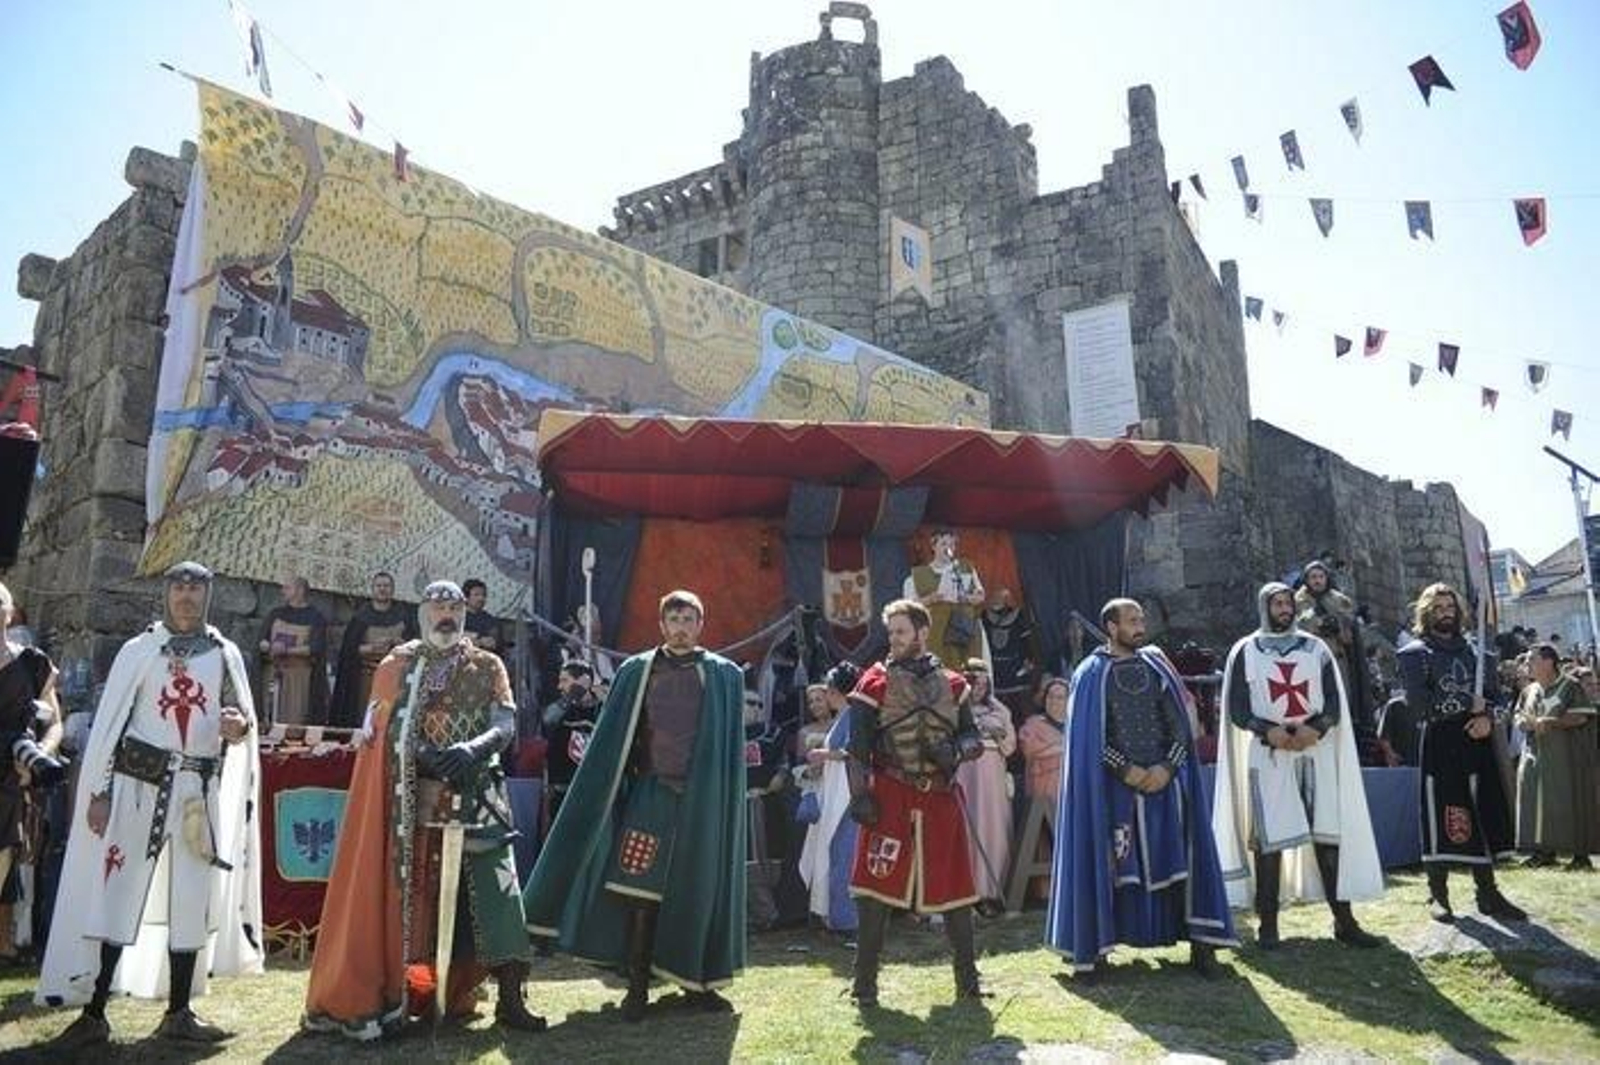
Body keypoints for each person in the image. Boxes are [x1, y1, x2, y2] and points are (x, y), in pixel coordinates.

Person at [304, 580, 544, 1040]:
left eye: (455, 606)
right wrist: (426, 754)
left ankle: (512, 999)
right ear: (423, 613)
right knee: (417, 902)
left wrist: (475, 748)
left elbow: (505, 720)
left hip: (480, 796)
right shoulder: (398, 665)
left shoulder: (487, 663)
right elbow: (383, 730)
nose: (447, 614)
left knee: (500, 896)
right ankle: (410, 998)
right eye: (439, 607)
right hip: (411, 799)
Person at [39, 562, 263, 1048]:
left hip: (195, 796)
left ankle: (180, 1012)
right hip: (136, 787)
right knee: (117, 894)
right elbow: (111, 726)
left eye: (195, 587)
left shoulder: (225, 654)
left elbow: (243, 718)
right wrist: (98, 793)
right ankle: (95, 1012)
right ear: (166, 592)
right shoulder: (140, 650)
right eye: (178, 586)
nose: (186, 595)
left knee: (190, 899)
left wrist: (237, 728)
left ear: (207, 594)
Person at [523, 590, 745, 1022]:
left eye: (689, 619)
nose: (681, 628)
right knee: (640, 894)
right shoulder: (636, 671)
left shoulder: (725, 676)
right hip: (649, 796)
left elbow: (727, 752)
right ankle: (638, 988)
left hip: (702, 804)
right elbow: (613, 741)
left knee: (696, 891)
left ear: (701, 624)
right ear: (661, 625)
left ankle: (695, 983)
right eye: (673, 619)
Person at [1045, 598, 1235, 978]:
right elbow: (1092, 740)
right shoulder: (1090, 674)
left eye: (1141, 619)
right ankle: (1094, 952)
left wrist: (1166, 767)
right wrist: (1128, 770)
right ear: (1111, 627)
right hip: (1115, 792)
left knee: (1185, 860)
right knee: (1108, 865)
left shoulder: (1156, 666)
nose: (1140, 626)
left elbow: (1179, 724)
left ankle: (1201, 946)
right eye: (1132, 620)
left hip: (1167, 788)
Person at [1213, 583, 1383, 950]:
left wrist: (1316, 727)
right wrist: (1268, 731)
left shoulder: (1315, 649)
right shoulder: (1247, 650)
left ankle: (1344, 920)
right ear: (1265, 608)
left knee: (1327, 834)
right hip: (1269, 752)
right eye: (1277, 603)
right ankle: (1268, 925)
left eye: (1288, 603)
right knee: (1268, 839)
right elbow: (1238, 708)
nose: (1285, 609)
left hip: (1314, 750)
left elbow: (1335, 702)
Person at [845, 598, 984, 1007]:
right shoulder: (874, 682)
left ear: (923, 633)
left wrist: (955, 752)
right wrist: (861, 796)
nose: (895, 639)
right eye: (891, 633)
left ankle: (968, 983)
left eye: (902, 631)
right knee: (874, 891)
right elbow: (857, 748)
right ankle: (864, 986)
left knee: (957, 890)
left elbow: (973, 737)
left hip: (939, 796)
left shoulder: (955, 684)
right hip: (890, 792)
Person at [1398, 583, 1525, 923]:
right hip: (1440, 742)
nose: (1445, 612)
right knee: (1441, 814)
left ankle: (1488, 893)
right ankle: (1438, 895)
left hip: (1477, 741)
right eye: (1438, 607)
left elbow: (1499, 700)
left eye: (1450, 606)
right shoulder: (1416, 654)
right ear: (1427, 612)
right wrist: (1470, 704)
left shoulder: (1476, 653)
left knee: (1483, 812)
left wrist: (1487, 718)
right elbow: (1420, 707)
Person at [0, 582, 65, 965]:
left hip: (12, 782)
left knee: (4, 868)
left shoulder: (31, 663)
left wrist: (39, 754)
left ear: (11, 611)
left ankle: (5, 944)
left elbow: (56, 724)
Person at [1515, 644, 1597, 870]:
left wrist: (1551, 723)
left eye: (1531, 660)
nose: (1526, 665)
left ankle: (1580, 857)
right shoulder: (1529, 691)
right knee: (1536, 803)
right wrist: (1524, 723)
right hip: (1535, 758)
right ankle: (1543, 852)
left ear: (1548, 661)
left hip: (1566, 758)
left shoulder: (1570, 686)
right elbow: (1519, 715)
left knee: (1571, 802)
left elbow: (1582, 716)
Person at [796, 662, 861, 934]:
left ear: (837, 692)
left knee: (843, 852)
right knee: (832, 851)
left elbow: (855, 751)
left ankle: (847, 918)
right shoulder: (845, 715)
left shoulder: (856, 715)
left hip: (846, 791)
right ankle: (833, 915)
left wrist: (824, 755)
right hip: (833, 789)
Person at [1295, 560, 1376, 751]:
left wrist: (1337, 627)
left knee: (1341, 702)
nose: (1317, 581)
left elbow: (1350, 636)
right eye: (1313, 577)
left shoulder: (1340, 600)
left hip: (1338, 661)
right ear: (1307, 579)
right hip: (1309, 663)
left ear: (1327, 578)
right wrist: (1318, 623)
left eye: (1320, 576)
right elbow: (1297, 626)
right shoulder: (1296, 601)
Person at [955, 660, 1014, 915]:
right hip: (966, 773)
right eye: (973, 682)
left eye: (983, 683)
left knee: (993, 828)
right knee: (967, 828)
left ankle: (991, 892)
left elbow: (1010, 744)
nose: (978, 688)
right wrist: (976, 728)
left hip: (991, 773)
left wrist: (998, 733)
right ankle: (966, 892)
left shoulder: (999, 709)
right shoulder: (955, 709)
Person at [330, 572, 417, 729]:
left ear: (392, 589)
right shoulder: (361, 617)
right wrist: (371, 648)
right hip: (366, 677)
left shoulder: (404, 615)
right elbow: (349, 650)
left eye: (386, 586)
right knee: (365, 718)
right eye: (379, 586)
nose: (382, 589)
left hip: (395, 678)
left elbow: (414, 646)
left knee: (389, 718)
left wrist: (398, 643)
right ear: (373, 589)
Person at [903, 529, 987, 675]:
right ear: (933, 546)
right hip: (936, 634)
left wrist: (965, 597)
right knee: (940, 673)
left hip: (964, 631)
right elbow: (909, 609)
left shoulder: (966, 568)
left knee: (968, 673)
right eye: (943, 543)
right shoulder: (917, 576)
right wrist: (931, 599)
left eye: (952, 544)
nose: (948, 548)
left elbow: (980, 595)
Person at [1017, 676, 1069, 899]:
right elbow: (1030, 750)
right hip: (1044, 789)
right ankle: (1046, 891)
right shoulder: (1033, 724)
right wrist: (1064, 747)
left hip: (1070, 790)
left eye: (1060, 697)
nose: (1055, 701)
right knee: (1046, 838)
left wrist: (1051, 749)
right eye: (1051, 696)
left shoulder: (1076, 723)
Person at [257, 575, 329, 726]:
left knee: (294, 722)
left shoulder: (315, 618)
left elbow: (314, 648)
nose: (282, 591)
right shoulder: (276, 614)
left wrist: (287, 650)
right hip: (273, 674)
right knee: (268, 717)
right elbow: (262, 640)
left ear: (300, 590)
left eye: (287, 587)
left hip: (298, 678)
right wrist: (269, 646)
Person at [541, 659, 599, 824]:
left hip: (593, 794)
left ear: (585, 680)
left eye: (565, 680)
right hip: (562, 793)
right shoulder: (562, 710)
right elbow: (548, 720)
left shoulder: (604, 710)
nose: (560, 686)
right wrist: (574, 694)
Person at [981, 589, 1037, 708]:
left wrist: (1029, 661)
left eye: (1001, 598)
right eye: (995, 597)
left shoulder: (1020, 617)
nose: (997, 601)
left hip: (1017, 673)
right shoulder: (984, 617)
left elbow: (1028, 644)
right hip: (995, 673)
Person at [462, 579, 503, 659]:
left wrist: (473, 639)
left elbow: (494, 643)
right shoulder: (458, 616)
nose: (481, 598)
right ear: (466, 597)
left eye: (483, 595)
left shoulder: (490, 620)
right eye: (476, 595)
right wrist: (480, 641)